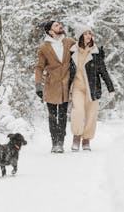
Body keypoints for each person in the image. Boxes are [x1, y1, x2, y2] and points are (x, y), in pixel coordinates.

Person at [69, 25, 115, 151]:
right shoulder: (72, 51)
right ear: (80, 36)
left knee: (91, 114)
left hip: (93, 88)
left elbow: (103, 71)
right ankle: (77, 136)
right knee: (77, 112)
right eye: (85, 33)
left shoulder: (96, 52)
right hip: (77, 88)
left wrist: (110, 88)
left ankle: (86, 140)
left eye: (90, 33)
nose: (88, 36)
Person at [35, 20, 76, 153]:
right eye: (57, 26)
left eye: (59, 24)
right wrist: (38, 85)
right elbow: (40, 67)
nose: (60, 26)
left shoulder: (69, 42)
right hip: (51, 85)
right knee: (52, 116)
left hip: (65, 84)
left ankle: (60, 143)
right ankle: (54, 143)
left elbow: (82, 49)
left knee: (63, 115)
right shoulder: (44, 47)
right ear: (51, 32)